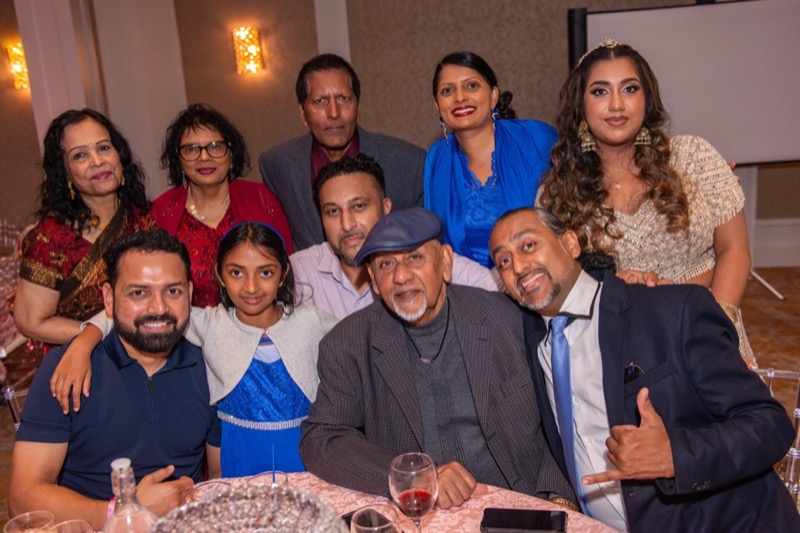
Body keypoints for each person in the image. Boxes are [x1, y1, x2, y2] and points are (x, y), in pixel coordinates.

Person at [489, 207, 799, 532]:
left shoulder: (670, 310)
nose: (518, 267)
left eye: (528, 246)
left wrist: (674, 456)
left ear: (570, 243)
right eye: (504, 261)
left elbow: (770, 424)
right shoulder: (528, 339)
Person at [300, 208, 574, 509]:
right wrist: (411, 476)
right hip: (419, 517)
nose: (401, 276)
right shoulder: (348, 344)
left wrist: (559, 498)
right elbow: (321, 439)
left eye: (414, 258)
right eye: (386, 264)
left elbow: (561, 418)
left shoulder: (509, 319)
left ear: (445, 262)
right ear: (374, 281)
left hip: (519, 508)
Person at [54, 222, 337, 477]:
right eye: (236, 272)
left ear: (283, 273)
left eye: (265, 272)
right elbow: (131, 313)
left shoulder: (311, 320)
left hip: (305, 450)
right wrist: (83, 343)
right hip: (239, 453)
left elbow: (354, 335)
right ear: (220, 275)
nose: (251, 287)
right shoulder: (208, 323)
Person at [536, 40, 755, 367]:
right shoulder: (557, 193)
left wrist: (715, 331)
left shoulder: (694, 157)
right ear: (580, 105)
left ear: (646, 98)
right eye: (600, 91)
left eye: (629, 89)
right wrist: (611, 288)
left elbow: (734, 250)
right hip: (624, 350)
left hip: (710, 332)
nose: (616, 104)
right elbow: (560, 289)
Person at [9, 229, 221, 529]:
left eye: (172, 291)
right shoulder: (68, 368)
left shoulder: (211, 368)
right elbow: (23, 498)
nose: (159, 308)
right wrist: (124, 512)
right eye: (139, 293)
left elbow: (220, 473)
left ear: (189, 293)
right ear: (108, 299)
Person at [290, 154, 499, 319]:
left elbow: (499, 291)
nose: (347, 224)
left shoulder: (429, 259)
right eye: (333, 211)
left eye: (359, 206)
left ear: (386, 208)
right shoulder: (299, 273)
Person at [259, 54, 425, 251]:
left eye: (343, 99)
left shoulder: (409, 164)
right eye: (320, 101)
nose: (334, 113)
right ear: (303, 113)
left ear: (358, 107)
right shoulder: (277, 165)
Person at [15, 108, 151, 346]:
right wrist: (105, 335)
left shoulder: (146, 218)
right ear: (65, 172)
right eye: (80, 155)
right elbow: (30, 321)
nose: (97, 161)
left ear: (119, 155)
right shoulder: (50, 239)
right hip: (88, 360)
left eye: (104, 148)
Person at [152, 103, 292, 307]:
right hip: (188, 325)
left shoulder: (261, 199)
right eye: (191, 149)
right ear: (178, 159)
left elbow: (285, 267)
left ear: (231, 153)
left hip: (258, 320)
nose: (204, 157)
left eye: (215, 146)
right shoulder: (160, 212)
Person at [424, 52, 556, 268]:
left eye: (471, 86)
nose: (460, 97)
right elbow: (437, 244)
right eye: (447, 90)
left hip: (538, 276)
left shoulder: (538, 139)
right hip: (467, 285)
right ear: (438, 106)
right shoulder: (436, 158)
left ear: (494, 95)